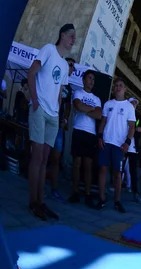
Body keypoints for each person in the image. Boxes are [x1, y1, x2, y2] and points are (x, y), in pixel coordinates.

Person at [26, 23, 76, 220]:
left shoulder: (65, 64)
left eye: (75, 37)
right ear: (62, 35)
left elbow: (60, 94)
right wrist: (35, 100)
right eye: (71, 36)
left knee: (46, 160)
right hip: (39, 109)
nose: (73, 40)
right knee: (37, 157)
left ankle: (41, 202)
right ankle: (33, 202)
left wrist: (58, 113)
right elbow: (31, 73)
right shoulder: (48, 49)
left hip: (53, 115)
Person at [96, 78, 136, 212]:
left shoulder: (129, 107)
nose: (118, 87)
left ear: (125, 89)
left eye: (120, 86)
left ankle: (117, 201)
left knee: (117, 174)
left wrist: (127, 142)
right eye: (116, 86)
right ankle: (102, 198)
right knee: (102, 170)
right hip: (106, 142)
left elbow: (132, 127)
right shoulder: (108, 104)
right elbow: (102, 122)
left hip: (119, 146)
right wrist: (100, 137)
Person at [69, 69, 102, 207]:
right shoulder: (77, 93)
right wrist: (91, 109)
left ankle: (87, 194)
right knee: (77, 164)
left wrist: (85, 108)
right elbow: (77, 106)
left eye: (93, 79)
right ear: (83, 80)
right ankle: (75, 192)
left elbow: (99, 115)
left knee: (88, 165)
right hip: (78, 130)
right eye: (89, 78)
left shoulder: (97, 99)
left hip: (90, 134)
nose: (91, 81)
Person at [49, 57, 74, 202]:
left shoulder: (69, 88)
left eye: (73, 67)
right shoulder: (54, 77)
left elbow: (68, 106)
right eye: (71, 65)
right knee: (44, 153)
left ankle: (54, 188)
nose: (72, 69)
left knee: (56, 158)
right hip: (48, 119)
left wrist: (64, 119)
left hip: (58, 126)